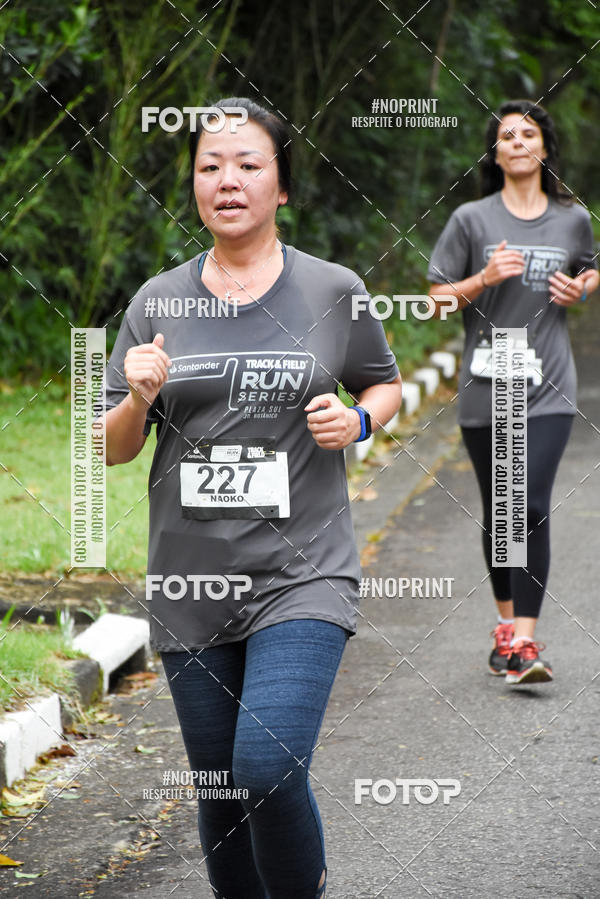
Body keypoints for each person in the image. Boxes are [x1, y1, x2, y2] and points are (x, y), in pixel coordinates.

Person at [102, 97, 402, 898]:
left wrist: (360, 419)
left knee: (265, 767)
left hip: (303, 573)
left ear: (283, 187)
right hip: (192, 578)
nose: (226, 180)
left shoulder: (332, 289)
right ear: (193, 186)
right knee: (223, 792)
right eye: (209, 166)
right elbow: (111, 446)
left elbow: (385, 381)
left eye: (248, 165)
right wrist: (135, 398)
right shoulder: (155, 302)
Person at [427, 99, 598, 686]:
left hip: (548, 383)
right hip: (487, 384)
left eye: (529, 134)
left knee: (528, 505)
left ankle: (525, 640)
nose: (519, 142)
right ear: (495, 153)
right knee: (501, 511)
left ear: (545, 149)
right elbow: (436, 300)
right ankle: (506, 630)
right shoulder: (471, 221)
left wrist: (582, 289)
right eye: (507, 136)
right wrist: (482, 278)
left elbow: (590, 268)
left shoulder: (572, 219)